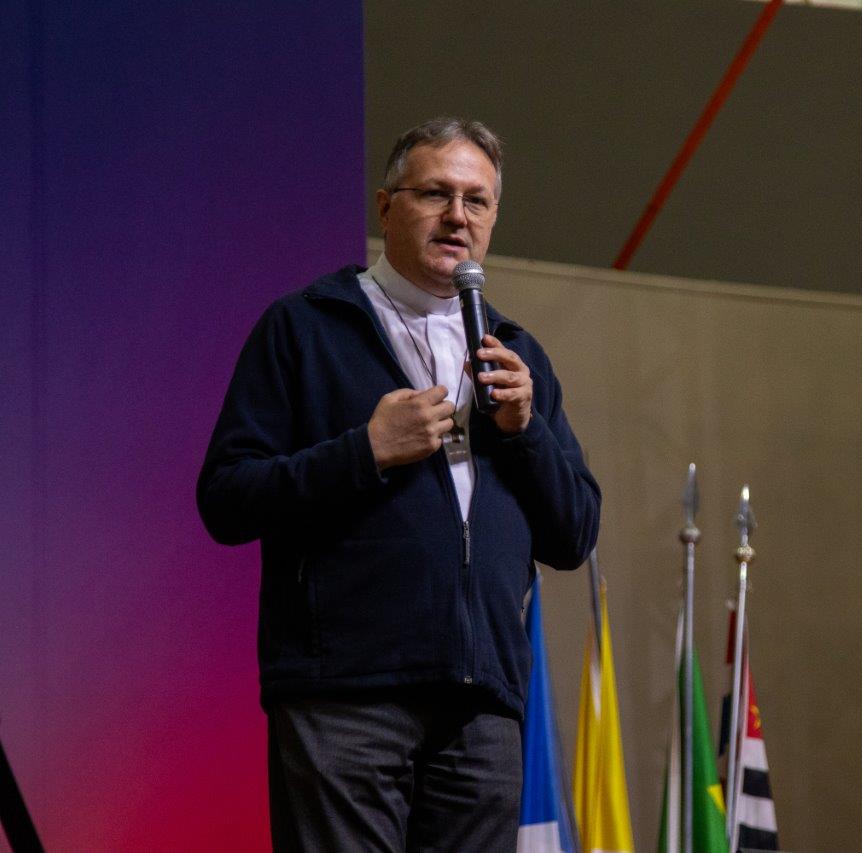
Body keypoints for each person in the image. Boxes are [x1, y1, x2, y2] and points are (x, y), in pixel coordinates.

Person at [196, 117, 600, 851]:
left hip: (482, 704)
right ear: (386, 207)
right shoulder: (306, 327)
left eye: (477, 201)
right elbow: (227, 497)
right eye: (436, 193)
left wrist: (524, 431)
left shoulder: (516, 352)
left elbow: (574, 535)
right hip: (345, 694)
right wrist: (367, 451)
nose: (458, 216)